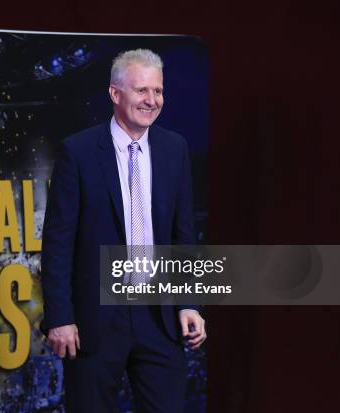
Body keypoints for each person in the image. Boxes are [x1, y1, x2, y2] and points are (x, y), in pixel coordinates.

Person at [40, 49, 207, 413]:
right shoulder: (78, 152)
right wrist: (60, 317)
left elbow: (183, 236)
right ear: (116, 94)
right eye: (142, 90)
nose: (152, 100)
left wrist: (189, 304)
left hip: (159, 317)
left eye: (158, 91)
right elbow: (58, 243)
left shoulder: (174, 149)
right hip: (94, 321)